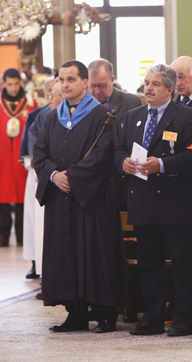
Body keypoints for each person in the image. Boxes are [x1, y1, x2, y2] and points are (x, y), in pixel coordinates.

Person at [33, 60, 125, 333]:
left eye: (71, 79)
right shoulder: (53, 117)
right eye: (61, 80)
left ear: (85, 83)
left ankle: (105, 313)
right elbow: (40, 153)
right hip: (61, 199)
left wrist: (71, 178)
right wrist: (53, 175)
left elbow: (102, 156)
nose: (65, 85)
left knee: (96, 254)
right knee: (66, 255)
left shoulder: (102, 116)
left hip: (92, 199)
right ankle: (75, 313)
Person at [115, 64, 192, 337]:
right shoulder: (133, 116)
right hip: (141, 200)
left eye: (155, 84)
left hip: (175, 203)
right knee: (149, 264)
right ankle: (151, 317)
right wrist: (124, 164)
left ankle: (182, 318)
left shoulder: (187, 116)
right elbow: (118, 149)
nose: (148, 89)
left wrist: (162, 165)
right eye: (146, 83)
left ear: (169, 89)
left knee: (181, 263)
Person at [20, 76, 54, 277]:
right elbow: (31, 148)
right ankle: (36, 263)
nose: (51, 95)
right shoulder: (38, 116)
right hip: (38, 174)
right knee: (35, 222)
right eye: (49, 90)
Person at [0, 68, 37, 247]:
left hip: (23, 158)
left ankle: (24, 236)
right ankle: (2, 236)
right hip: (2, 157)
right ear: (3, 83)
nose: (13, 88)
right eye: (9, 84)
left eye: (16, 84)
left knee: (24, 198)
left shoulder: (31, 104)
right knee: (2, 198)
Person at [87, 59, 142, 126]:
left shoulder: (131, 102)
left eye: (101, 86)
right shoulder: (82, 104)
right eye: (93, 86)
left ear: (112, 80)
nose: (97, 91)